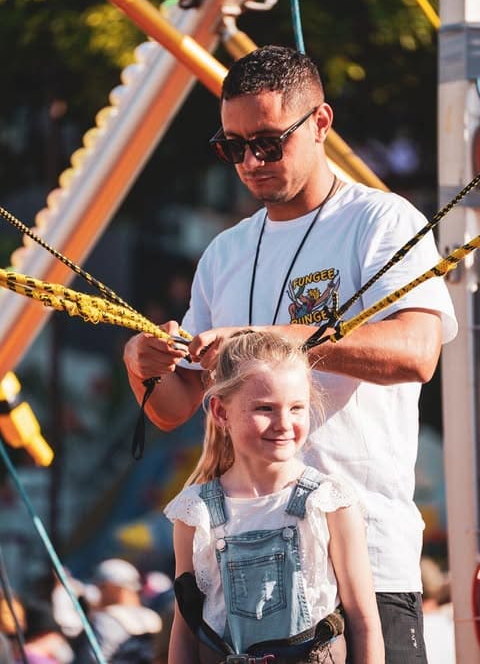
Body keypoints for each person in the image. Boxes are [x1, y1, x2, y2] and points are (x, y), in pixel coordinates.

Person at [123, 44, 457, 662]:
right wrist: (142, 366)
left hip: (365, 568)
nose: (251, 161)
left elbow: (417, 351)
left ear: (321, 123)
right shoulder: (223, 252)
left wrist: (274, 337)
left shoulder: (379, 221)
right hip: (236, 576)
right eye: (232, 147)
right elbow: (175, 408)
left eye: (269, 143)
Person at [164, 329, 384, 663]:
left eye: (297, 408)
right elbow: (185, 626)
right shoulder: (196, 512)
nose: (284, 423)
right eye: (265, 408)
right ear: (221, 413)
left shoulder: (328, 502)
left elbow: (364, 622)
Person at [75, 558, 162, 664]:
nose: (99, 591)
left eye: (102, 587)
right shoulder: (153, 617)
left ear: (114, 587)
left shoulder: (105, 619)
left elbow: (91, 660)